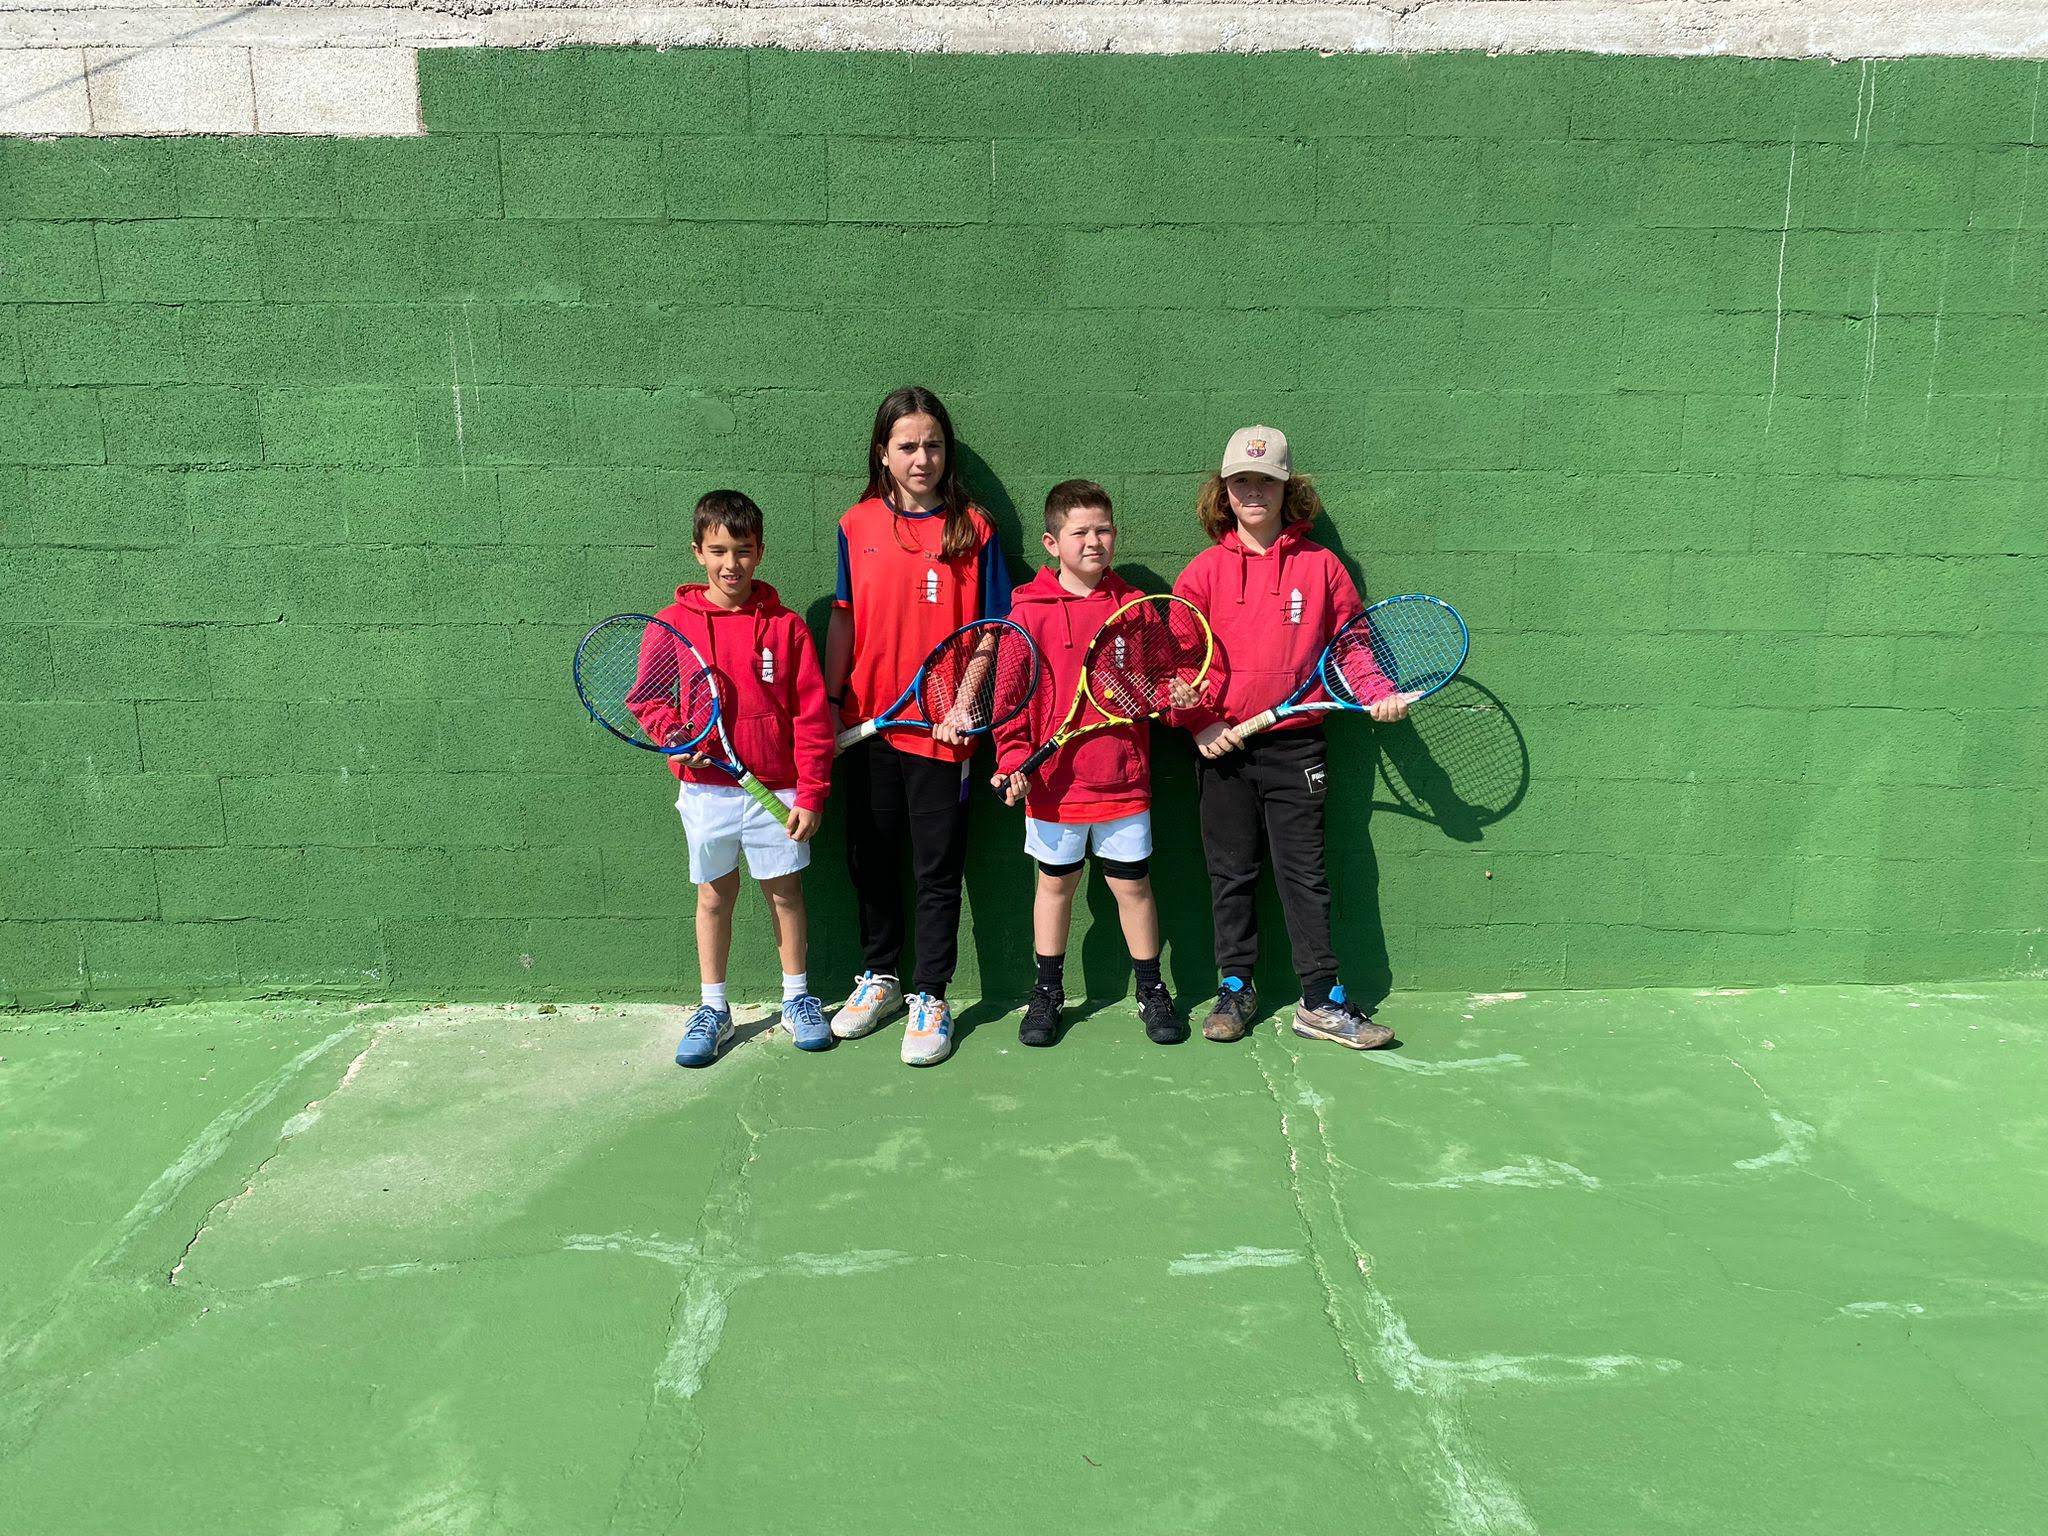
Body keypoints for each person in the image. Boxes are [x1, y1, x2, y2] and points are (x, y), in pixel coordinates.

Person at [1172, 426, 1407, 1050]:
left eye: (1267, 482)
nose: (1254, 492)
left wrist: (1376, 693)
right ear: (1224, 491)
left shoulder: (1322, 567)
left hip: (1298, 748)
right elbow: (1178, 666)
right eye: (1241, 481)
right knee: (1230, 874)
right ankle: (1234, 987)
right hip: (1224, 750)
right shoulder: (1202, 574)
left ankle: (1320, 1000)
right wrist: (1198, 721)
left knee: (1304, 875)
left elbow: (1353, 648)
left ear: (1287, 489)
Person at [824, 386, 1013, 1066]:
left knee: (937, 870)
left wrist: (965, 703)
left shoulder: (975, 529)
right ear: (882, 453)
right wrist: (831, 701)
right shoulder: (855, 525)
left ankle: (930, 995)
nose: (922, 458)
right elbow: (843, 618)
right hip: (868, 727)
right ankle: (879, 977)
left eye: (933, 445)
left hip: (942, 733)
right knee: (870, 860)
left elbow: (991, 631)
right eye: (907, 445)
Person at [991, 480, 1185, 1048]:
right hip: (1053, 786)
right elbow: (1009, 699)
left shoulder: (1136, 609)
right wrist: (1013, 758)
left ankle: (1151, 989)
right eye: (1080, 532)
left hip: (1123, 781)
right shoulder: (1026, 612)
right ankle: (1047, 992)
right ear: (1052, 543)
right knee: (1055, 888)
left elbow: (1157, 685)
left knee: (1133, 887)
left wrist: (1175, 697)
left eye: (1103, 530)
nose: (1094, 541)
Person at [664, 490, 834, 1067]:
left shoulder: (786, 628)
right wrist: (676, 738)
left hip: (777, 789)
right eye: (718, 551)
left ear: (759, 552)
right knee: (714, 896)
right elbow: (648, 700)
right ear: (698, 552)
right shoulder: (672, 625)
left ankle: (797, 998)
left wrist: (811, 792)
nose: (730, 563)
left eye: (742, 550)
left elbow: (812, 717)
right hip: (706, 791)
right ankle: (713, 1008)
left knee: (785, 893)